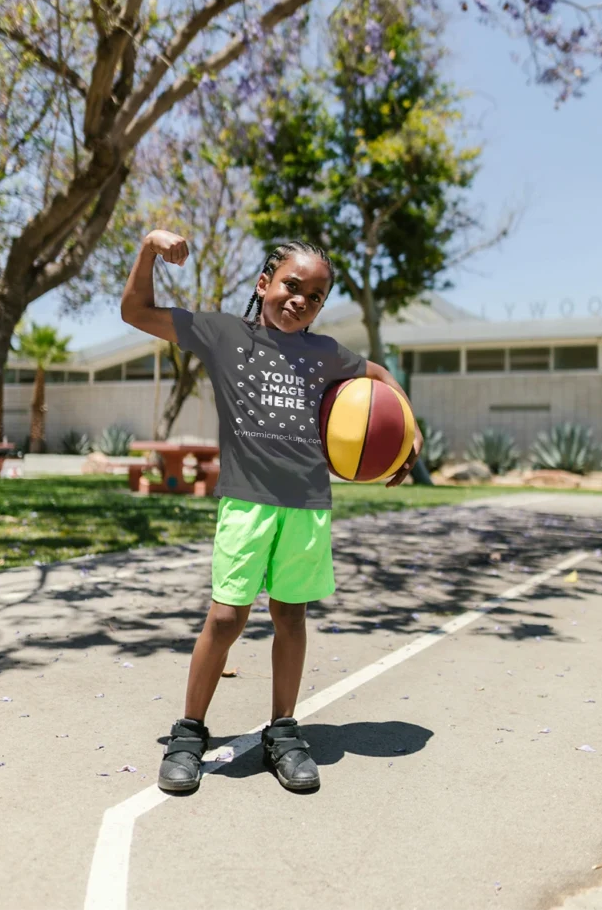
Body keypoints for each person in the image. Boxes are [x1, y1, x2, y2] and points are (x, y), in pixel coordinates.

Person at [120, 228, 423, 793]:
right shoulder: (223, 333)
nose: (300, 301)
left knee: (290, 616)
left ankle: (282, 731)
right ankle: (190, 732)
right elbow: (135, 310)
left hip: (307, 505)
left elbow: (379, 377)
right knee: (227, 618)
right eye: (291, 285)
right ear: (264, 283)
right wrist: (148, 249)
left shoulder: (328, 354)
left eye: (315, 295)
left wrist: (409, 430)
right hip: (246, 502)